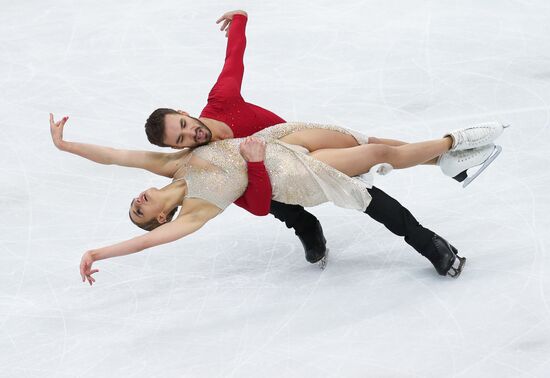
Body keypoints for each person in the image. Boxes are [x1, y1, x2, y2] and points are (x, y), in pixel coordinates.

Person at [141, 9, 501, 269]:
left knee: (369, 146)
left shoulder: (222, 102)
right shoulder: (210, 166)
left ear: (183, 112)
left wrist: (239, 20)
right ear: (177, 149)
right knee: (342, 193)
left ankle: (447, 160)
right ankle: (312, 226)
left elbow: (233, 59)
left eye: (184, 124)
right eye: (181, 140)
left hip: (296, 141)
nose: (191, 134)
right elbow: (254, 200)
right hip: (278, 177)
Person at [48, 115, 506, 285]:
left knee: (363, 137)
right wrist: (99, 251)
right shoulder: (195, 212)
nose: (139, 199)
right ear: (162, 216)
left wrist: (67, 146)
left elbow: (115, 156)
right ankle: (455, 141)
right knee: (380, 157)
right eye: (140, 211)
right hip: (291, 175)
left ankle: (451, 161)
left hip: (280, 139)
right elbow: (147, 244)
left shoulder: (170, 164)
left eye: (135, 203)